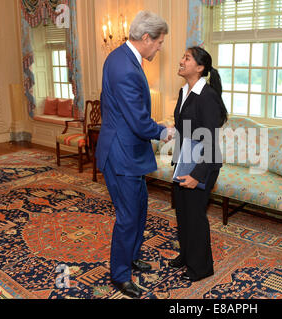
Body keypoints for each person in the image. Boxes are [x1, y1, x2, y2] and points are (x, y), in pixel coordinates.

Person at [95, 11, 172, 299]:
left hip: (130, 152)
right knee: (128, 216)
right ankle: (120, 275)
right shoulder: (124, 67)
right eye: (160, 42)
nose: (160, 48)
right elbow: (139, 121)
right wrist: (163, 131)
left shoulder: (122, 58)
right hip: (121, 154)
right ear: (146, 38)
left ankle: (131, 257)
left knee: (140, 209)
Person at [168, 46, 228, 282]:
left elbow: (211, 139)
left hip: (202, 165)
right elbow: (186, 129)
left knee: (195, 217)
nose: (181, 61)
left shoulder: (208, 96)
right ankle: (187, 255)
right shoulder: (185, 91)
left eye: (187, 58)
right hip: (184, 161)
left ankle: (200, 268)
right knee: (182, 214)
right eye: (182, 56)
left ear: (200, 67)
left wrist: (197, 175)